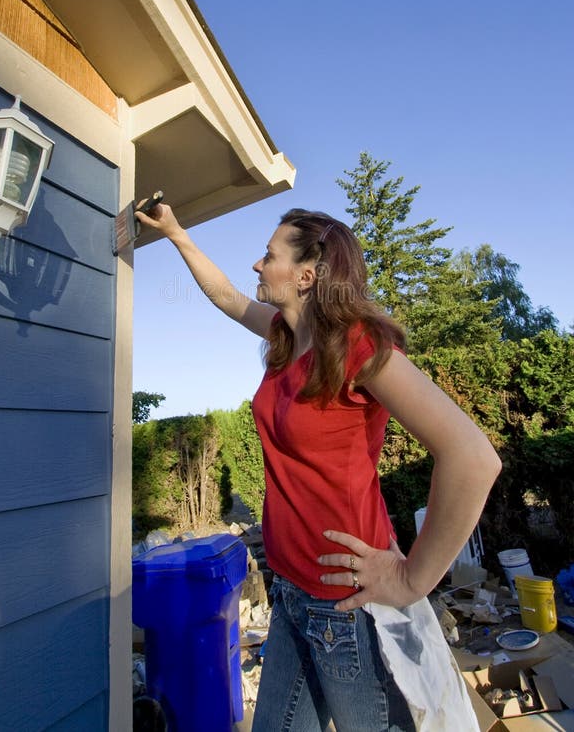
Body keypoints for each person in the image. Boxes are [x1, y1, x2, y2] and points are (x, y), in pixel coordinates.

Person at [135, 204, 502, 732]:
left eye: (269, 255)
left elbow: (472, 456)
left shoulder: (356, 345)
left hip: (342, 608)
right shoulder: (286, 341)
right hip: (289, 592)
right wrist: (175, 234)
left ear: (307, 275)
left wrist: (413, 579)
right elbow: (228, 299)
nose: (257, 266)